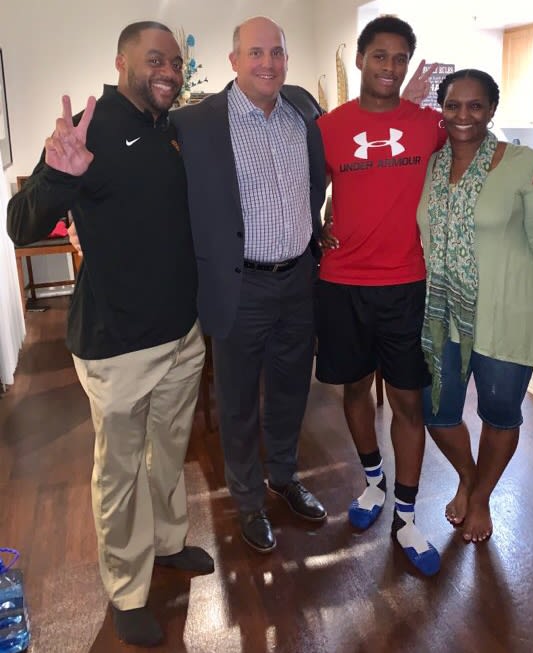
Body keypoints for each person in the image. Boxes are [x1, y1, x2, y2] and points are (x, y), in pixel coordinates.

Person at [7, 22, 214, 648]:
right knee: (119, 471)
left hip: (181, 333)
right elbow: (21, 224)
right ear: (122, 60)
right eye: (156, 60)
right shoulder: (89, 129)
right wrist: (60, 174)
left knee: (169, 451)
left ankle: (169, 541)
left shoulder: (169, 129)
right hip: (118, 343)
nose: (169, 72)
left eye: (175, 62)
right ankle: (126, 588)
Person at [171, 17, 327, 554]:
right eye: (255, 52)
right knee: (237, 400)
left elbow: (319, 184)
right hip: (241, 285)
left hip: (298, 280)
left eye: (277, 52)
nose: (268, 62)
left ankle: (283, 477)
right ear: (233, 60)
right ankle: (247, 501)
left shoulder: (303, 115)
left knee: (289, 389)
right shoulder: (196, 124)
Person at [417, 69, 533, 543]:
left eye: (476, 105)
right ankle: (469, 476)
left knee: (500, 416)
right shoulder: (431, 164)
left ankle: (482, 495)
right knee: (437, 414)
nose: (464, 115)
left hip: (507, 315)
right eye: (453, 105)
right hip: (444, 317)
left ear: (491, 111)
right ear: (441, 110)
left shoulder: (523, 162)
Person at [315, 15, 446, 576]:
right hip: (341, 280)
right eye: (379, 56)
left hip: (405, 283)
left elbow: (478, 146)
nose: (389, 67)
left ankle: (408, 512)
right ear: (362, 60)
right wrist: (316, 223)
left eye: (399, 58)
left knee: (409, 400)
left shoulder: (430, 125)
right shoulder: (328, 127)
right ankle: (373, 482)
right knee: (354, 389)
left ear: (409, 65)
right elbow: (305, 187)